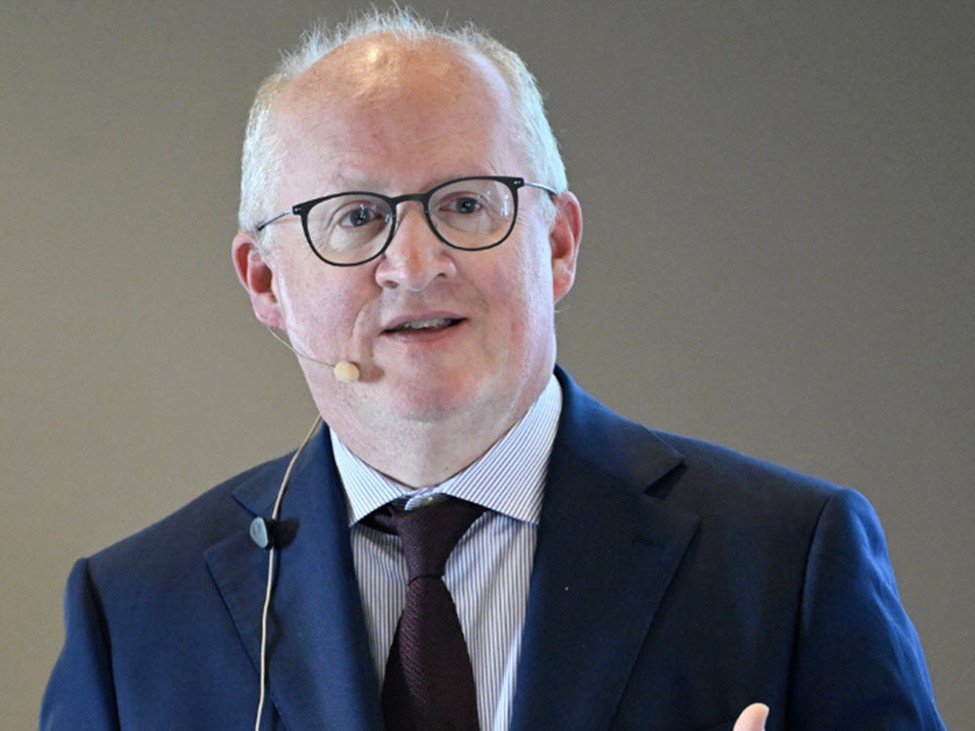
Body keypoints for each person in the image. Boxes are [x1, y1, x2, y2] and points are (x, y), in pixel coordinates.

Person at [41, 10, 944, 731]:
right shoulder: (134, 616)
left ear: (557, 244)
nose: (414, 263)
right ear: (266, 281)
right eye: (354, 216)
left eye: (467, 203)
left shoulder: (788, 560)